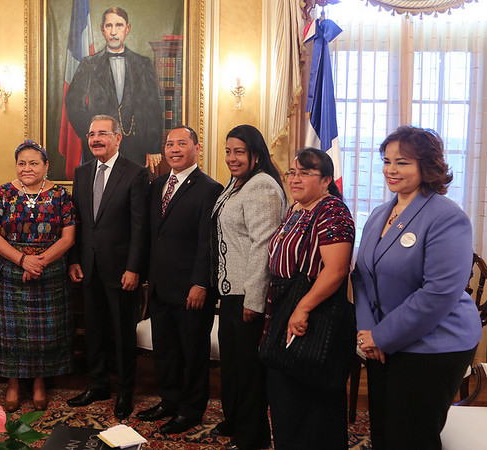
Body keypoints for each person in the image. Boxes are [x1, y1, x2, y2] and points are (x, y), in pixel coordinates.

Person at [353, 126, 481, 449]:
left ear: (427, 166)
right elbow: (361, 276)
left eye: (402, 162)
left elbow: (438, 293)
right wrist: (368, 334)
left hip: (436, 344)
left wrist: (381, 336)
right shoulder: (379, 214)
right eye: (387, 161)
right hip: (381, 343)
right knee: (384, 432)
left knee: (410, 436)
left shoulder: (447, 217)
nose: (391, 170)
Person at [135, 126, 223, 434]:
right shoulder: (158, 184)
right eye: (169, 144)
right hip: (161, 287)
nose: (174, 149)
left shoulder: (210, 189)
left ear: (196, 148)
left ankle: (191, 411)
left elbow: (207, 242)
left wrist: (200, 283)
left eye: (181, 143)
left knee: (193, 353)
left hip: (191, 289)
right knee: (166, 350)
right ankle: (169, 401)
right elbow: (153, 235)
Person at [266, 148, 354, 449]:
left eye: (305, 173)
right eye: (292, 172)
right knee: (285, 398)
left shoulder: (332, 211)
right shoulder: (297, 208)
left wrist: (302, 309)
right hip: (284, 304)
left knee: (310, 404)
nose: (295, 179)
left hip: (315, 314)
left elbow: (336, 270)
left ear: (327, 180)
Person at [67, 115, 149, 419]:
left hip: (121, 270)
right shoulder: (81, 172)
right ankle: (98, 384)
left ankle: (125, 391)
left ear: (117, 137)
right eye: (91, 134)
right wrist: (75, 259)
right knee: (94, 331)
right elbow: (77, 221)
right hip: (89, 267)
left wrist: (134, 268)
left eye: (102, 133)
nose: (96, 139)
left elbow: (140, 227)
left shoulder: (136, 173)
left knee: (123, 334)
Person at [0, 140, 76, 412]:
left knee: (45, 334)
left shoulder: (61, 195)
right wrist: (23, 260)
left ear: (46, 166)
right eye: (22, 163)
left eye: (34, 163)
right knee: (12, 333)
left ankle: (39, 382)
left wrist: (39, 262)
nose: (27, 168)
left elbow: (68, 238)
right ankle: (13, 383)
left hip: (50, 272)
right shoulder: (3, 193)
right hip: (12, 271)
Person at [211, 125, 286, 449]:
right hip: (230, 291)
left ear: (256, 154)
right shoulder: (237, 183)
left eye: (239, 152)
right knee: (232, 366)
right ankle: (234, 421)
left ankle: (252, 437)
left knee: (249, 371)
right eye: (228, 151)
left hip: (248, 294)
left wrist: (253, 300)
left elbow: (263, 245)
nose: (231, 158)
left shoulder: (262, 186)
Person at [65, 6, 163, 171]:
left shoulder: (143, 64)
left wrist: (153, 147)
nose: (113, 32)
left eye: (119, 25)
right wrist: (94, 135)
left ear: (127, 28)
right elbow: (73, 103)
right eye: (109, 26)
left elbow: (152, 107)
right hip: (99, 149)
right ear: (102, 29)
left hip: (136, 147)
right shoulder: (89, 64)